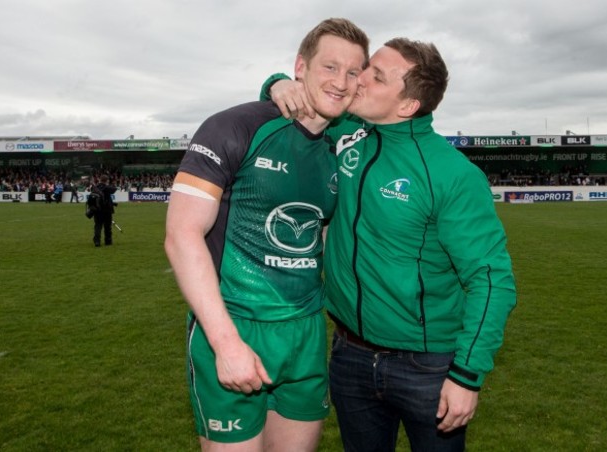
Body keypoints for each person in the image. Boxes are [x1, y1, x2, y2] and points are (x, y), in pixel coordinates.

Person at [262, 37, 517, 451]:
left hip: (427, 367)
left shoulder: (452, 174)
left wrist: (467, 376)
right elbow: (293, 93)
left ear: (407, 106)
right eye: (368, 68)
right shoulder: (344, 129)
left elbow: (491, 278)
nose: (357, 80)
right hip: (350, 356)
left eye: (375, 76)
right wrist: (277, 84)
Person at [164, 18, 369, 452]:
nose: (341, 82)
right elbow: (182, 235)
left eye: (354, 72)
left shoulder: (346, 143)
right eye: (330, 67)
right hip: (236, 326)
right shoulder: (234, 127)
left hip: (307, 333)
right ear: (300, 66)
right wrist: (226, 343)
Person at [92, 175, 116, 247]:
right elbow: (114, 189)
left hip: (97, 209)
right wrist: (111, 183)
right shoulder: (107, 187)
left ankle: (97, 241)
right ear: (107, 180)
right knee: (107, 226)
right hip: (107, 210)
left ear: (100, 180)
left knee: (98, 226)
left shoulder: (95, 187)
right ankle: (108, 241)